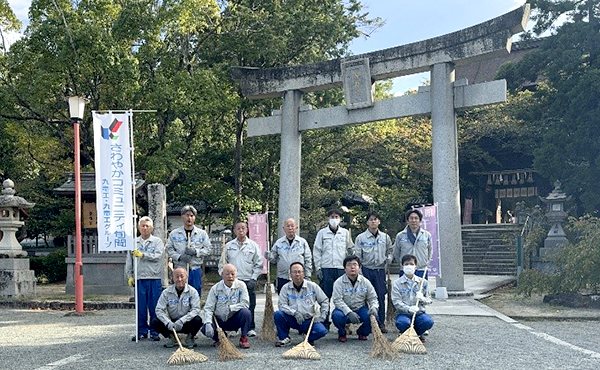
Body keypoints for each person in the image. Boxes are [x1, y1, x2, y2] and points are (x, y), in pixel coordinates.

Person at [219, 221, 263, 337]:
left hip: (248, 279)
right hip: (233, 281)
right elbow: (222, 263)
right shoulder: (229, 246)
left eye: (243, 228)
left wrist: (254, 278)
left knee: (250, 304)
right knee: (233, 304)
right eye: (238, 228)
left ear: (247, 230)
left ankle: (250, 327)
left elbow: (258, 264)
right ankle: (234, 328)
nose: (241, 230)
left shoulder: (253, 245)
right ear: (234, 231)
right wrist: (223, 277)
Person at [125, 216, 165, 341]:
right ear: (139, 227)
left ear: (152, 228)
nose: (145, 228)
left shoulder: (157, 242)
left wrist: (143, 255)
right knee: (140, 307)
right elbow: (129, 260)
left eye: (147, 226)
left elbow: (158, 256)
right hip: (139, 278)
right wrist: (130, 275)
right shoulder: (133, 242)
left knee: (154, 306)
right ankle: (141, 331)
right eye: (142, 225)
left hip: (154, 277)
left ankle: (154, 331)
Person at [354, 211, 393, 332]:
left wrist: (389, 259)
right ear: (367, 222)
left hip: (380, 270)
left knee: (380, 296)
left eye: (375, 219)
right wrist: (359, 272)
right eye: (371, 219)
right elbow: (357, 256)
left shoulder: (385, 237)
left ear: (379, 221)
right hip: (366, 270)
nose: (373, 221)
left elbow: (390, 251)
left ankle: (381, 323)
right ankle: (369, 323)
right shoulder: (361, 238)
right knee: (366, 297)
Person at [274, 262, 329, 347]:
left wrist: (322, 316)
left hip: (308, 320)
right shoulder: (285, 288)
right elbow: (282, 305)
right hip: (292, 318)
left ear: (304, 273)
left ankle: (308, 338)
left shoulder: (312, 286)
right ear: (290, 274)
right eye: (294, 272)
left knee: (322, 331)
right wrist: (294, 313)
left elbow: (325, 300)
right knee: (278, 314)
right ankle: (284, 338)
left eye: (299, 272)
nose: (297, 274)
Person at [201, 264, 252, 349]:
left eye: (232, 273)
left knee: (246, 313)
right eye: (227, 274)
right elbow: (208, 308)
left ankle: (243, 338)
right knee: (204, 328)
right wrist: (208, 322)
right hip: (220, 320)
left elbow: (245, 303)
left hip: (234, 318)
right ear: (222, 275)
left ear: (236, 274)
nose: (230, 276)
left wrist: (230, 308)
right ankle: (220, 338)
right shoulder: (215, 289)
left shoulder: (241, 286)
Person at [165, 205, 211, 297]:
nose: (189, 218)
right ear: (182, 217)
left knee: (195, 293)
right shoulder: (174, 233)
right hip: (180, 269)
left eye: (192, 215)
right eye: (187, 215)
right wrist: (179, 257)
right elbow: (168, 248)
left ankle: (195, 311)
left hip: (195, 268)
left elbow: (208, 249)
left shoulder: (202, 234)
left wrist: (196, 252)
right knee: (179, 294)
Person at [152, 267, 203, 348]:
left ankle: (190, 338)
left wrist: (182, 321)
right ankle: (172, 337)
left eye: (182, 276)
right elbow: (159, 310)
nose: (179, 279)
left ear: (186, 278)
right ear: (173, 278)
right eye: (177, 276)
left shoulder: (193, 292)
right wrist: (167, 322)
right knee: (155, 321)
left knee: (198, 320)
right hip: (171, 323)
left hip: (186, 322)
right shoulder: (166, 292)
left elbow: (196, 309)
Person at [331, 256, 378, 342]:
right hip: (344, 311)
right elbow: (337, 300)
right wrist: (349, 312)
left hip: (360, 309)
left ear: (359, 268)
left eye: (355, 265)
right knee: (336, 316)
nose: (352, 267)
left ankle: (362, 332)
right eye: (349, 265)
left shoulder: (365, 282)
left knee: (373, 316)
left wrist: (374, 307)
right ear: (345, 269)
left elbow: (373, 298)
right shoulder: (338, 282)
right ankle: (342, 332)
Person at [391, 254, 434, 342]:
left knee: (428, 322)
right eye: (406, 264)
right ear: (402, 266)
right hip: (403, 313)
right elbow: (396, 302)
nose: (409, 266)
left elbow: (429, 300)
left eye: (411, 264)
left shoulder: (423, 283)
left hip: (419, 313)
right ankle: (404, 333)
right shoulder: (397, 284)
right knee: (403, 323)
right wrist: (408, 308)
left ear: (416, 266)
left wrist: (422, 298)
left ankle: (417, 334)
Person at [313, 209, 354, 299]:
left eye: (336, 217)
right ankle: (325, 313)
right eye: (332, 217)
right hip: (326, 268)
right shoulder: (322, 233)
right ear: (328, 218)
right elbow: (317, 251)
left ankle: (340, 313)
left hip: (341, 268)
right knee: (325, 296)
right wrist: (318, 268)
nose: (334, 219)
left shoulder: (345, 233)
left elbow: (350, 248)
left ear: (340, 219)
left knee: (342, 295)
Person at [266, 218, 312, 293]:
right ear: (284, 229)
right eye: (288, 226)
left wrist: (308, 275)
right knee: (283, 300)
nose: (290, 228)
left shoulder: (302, 242)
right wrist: (269, 256)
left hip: (299, 277)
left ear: (296, 228)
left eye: (292, 226)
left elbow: (308, 259)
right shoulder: (279, 243)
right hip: (283, 277)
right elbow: (274, 259)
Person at [394, 209, 432, 279]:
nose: (413, 220)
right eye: (411, 218)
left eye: (416, 218)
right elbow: (396, 252)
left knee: (421, 289)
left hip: (421, 269)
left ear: (420, 221)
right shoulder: (400, 236)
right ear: (407, 221)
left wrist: (425, 263)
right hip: (405, 269)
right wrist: (403, 264)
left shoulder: (426, 235)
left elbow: (430, 250)